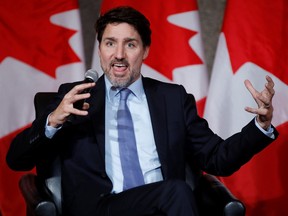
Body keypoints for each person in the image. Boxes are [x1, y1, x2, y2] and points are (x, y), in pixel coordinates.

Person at [6, 6, 278, 216]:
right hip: (100, 209)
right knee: (176, 192)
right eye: (110, 43)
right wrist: (54, 120)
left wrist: (260, 126)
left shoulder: (172, 99)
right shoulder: (75, 96)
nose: (119, 54)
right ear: (100, 49)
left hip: (162, 207)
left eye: (130, 44)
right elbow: (16, 160)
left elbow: (219, 159)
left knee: (175, 194)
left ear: (145, 50)